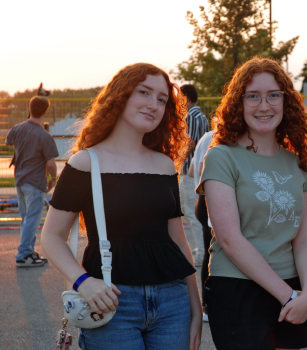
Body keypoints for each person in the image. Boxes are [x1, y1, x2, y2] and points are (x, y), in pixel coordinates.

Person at [40, 63, 202, 349]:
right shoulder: (85, 163)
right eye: (144, 92)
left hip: (172, 304)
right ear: (121, 95)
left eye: (162, 100)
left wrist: (195, 308)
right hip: (110, 303)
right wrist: (84, 282)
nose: (153, 104)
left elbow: (177, 239)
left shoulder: (164, 165)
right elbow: (51, 236)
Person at [197, 57, 307, 350]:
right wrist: (290, 297)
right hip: (238, 287)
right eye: (252, 96)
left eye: (273, 95)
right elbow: (229, 238)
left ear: (286, 101)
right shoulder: (221, 157)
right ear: (238, 103)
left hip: (291, 285)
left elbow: (305, 239)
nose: (263, 106)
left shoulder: (298, 162)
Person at [7, 95, 58, 268]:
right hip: (35, 182)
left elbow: (10, 142)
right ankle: (23, 255)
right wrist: (54, 178)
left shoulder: (17, 129)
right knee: (32, 219)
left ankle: (28, 251)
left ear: (30, 108)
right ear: (45, 112)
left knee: (26, 218)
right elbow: (51, 164)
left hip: (19, 180)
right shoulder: (44, 136)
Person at [179, 84, 209, 267]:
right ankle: (202, 251)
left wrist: (175, 154)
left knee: (191, 214)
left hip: (188, 170)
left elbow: (189, 143)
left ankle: (200, 254)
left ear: (186, 99)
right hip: (198, 169)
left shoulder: (189, 117)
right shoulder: (203, 117)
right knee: (196, 212)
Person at [188, 129, 214, 321]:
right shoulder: (219, 137)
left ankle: (207, 304)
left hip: (201, 200)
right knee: (215, 253)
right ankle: (207, 305)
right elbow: (199, 170)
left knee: (208, 252)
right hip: (210, 199)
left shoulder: (206, 136)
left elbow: (191, 171)